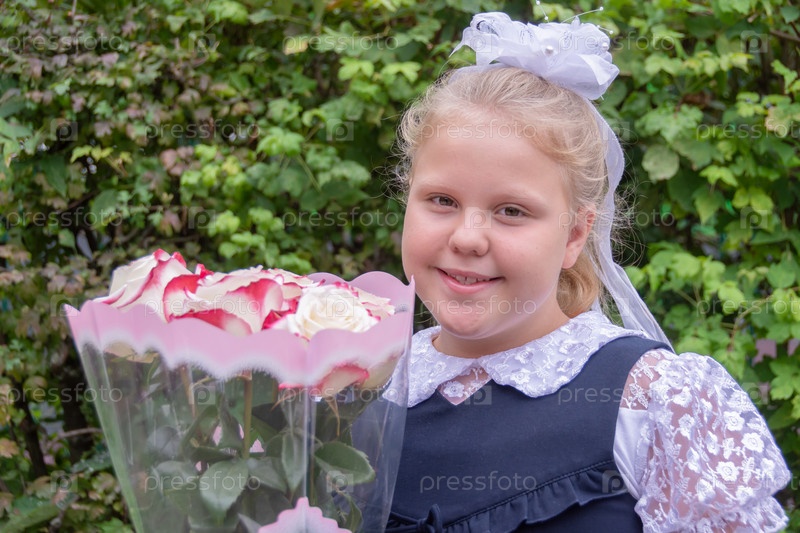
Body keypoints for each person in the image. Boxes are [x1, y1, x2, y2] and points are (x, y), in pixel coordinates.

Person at [385, 12, 791, 533]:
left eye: (512, 211)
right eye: (442, 200)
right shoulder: (360, 385)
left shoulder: (648, 401)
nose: (467, 237)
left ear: (576, 234)